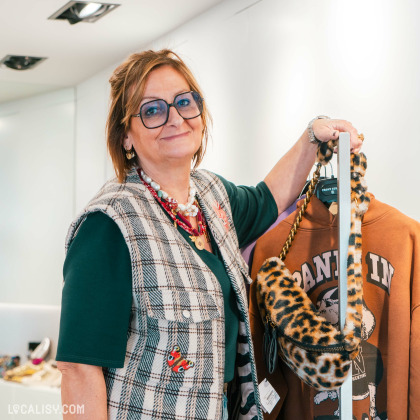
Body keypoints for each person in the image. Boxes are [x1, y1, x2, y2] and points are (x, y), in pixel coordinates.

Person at [56, 49, 363, 420]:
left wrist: (313, 138)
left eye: (185, 102)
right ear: (125, 137)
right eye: (152, 110)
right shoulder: (108, 225)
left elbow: (268, 198)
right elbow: (78, 370)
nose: (175, 119)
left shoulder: (212, 196)